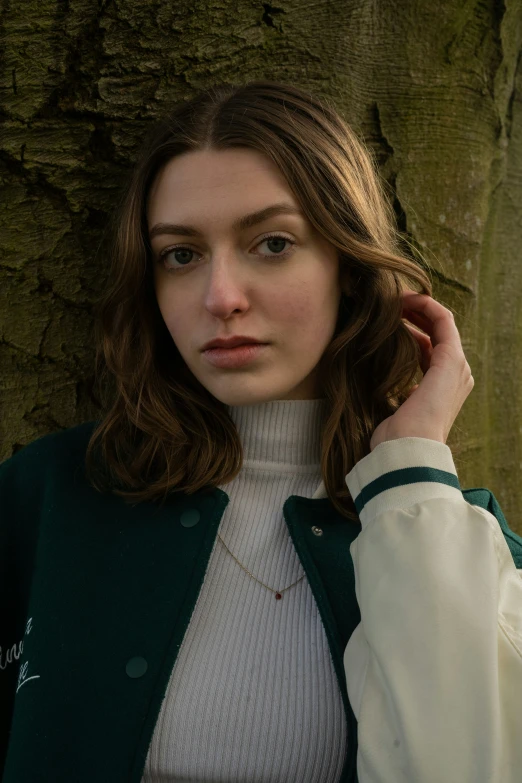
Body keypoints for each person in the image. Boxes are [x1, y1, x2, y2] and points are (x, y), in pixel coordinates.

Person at [1, 79, 521, 783]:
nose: (220, 297)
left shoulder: (456, 541)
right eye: (180, 254)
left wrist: (408, 471)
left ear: (349, 267)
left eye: (272, 243)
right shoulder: (46, 496)